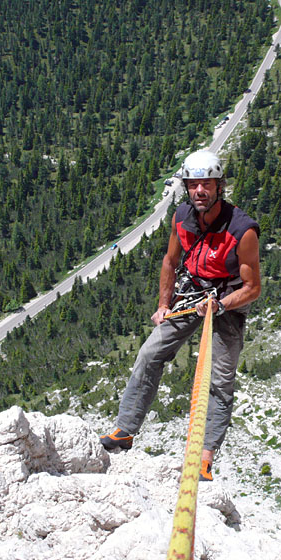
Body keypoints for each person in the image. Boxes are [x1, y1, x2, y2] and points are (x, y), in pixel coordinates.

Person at [100, 149, 261, 481]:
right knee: (150, 353)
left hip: (227, 299)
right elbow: (170, 262)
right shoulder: (182, 217)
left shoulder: (242, 230)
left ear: (219, 187)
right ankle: (125, 430)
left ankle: (204, 457)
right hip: (193, 292)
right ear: (186, 187)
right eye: (193, 185)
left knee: (219, 379)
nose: (199, 191)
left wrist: (221, 305)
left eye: (207, 184)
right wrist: (164, 305)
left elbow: (253, 287)